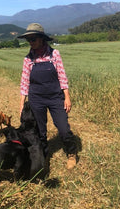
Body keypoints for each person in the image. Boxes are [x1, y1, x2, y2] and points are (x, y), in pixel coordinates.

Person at [18, 23, 77, 170]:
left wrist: (67, 96)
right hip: (36, 98)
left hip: (55, 97)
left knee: (63, 127)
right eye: (28, 40)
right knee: (40, 131)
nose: (31, 43)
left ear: (42, 39)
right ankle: (43, 157)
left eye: (33, 39)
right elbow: (24, 81)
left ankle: (71, 153)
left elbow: (62, 75)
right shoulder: (28, 59)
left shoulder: (54, 54)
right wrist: (21, 104)